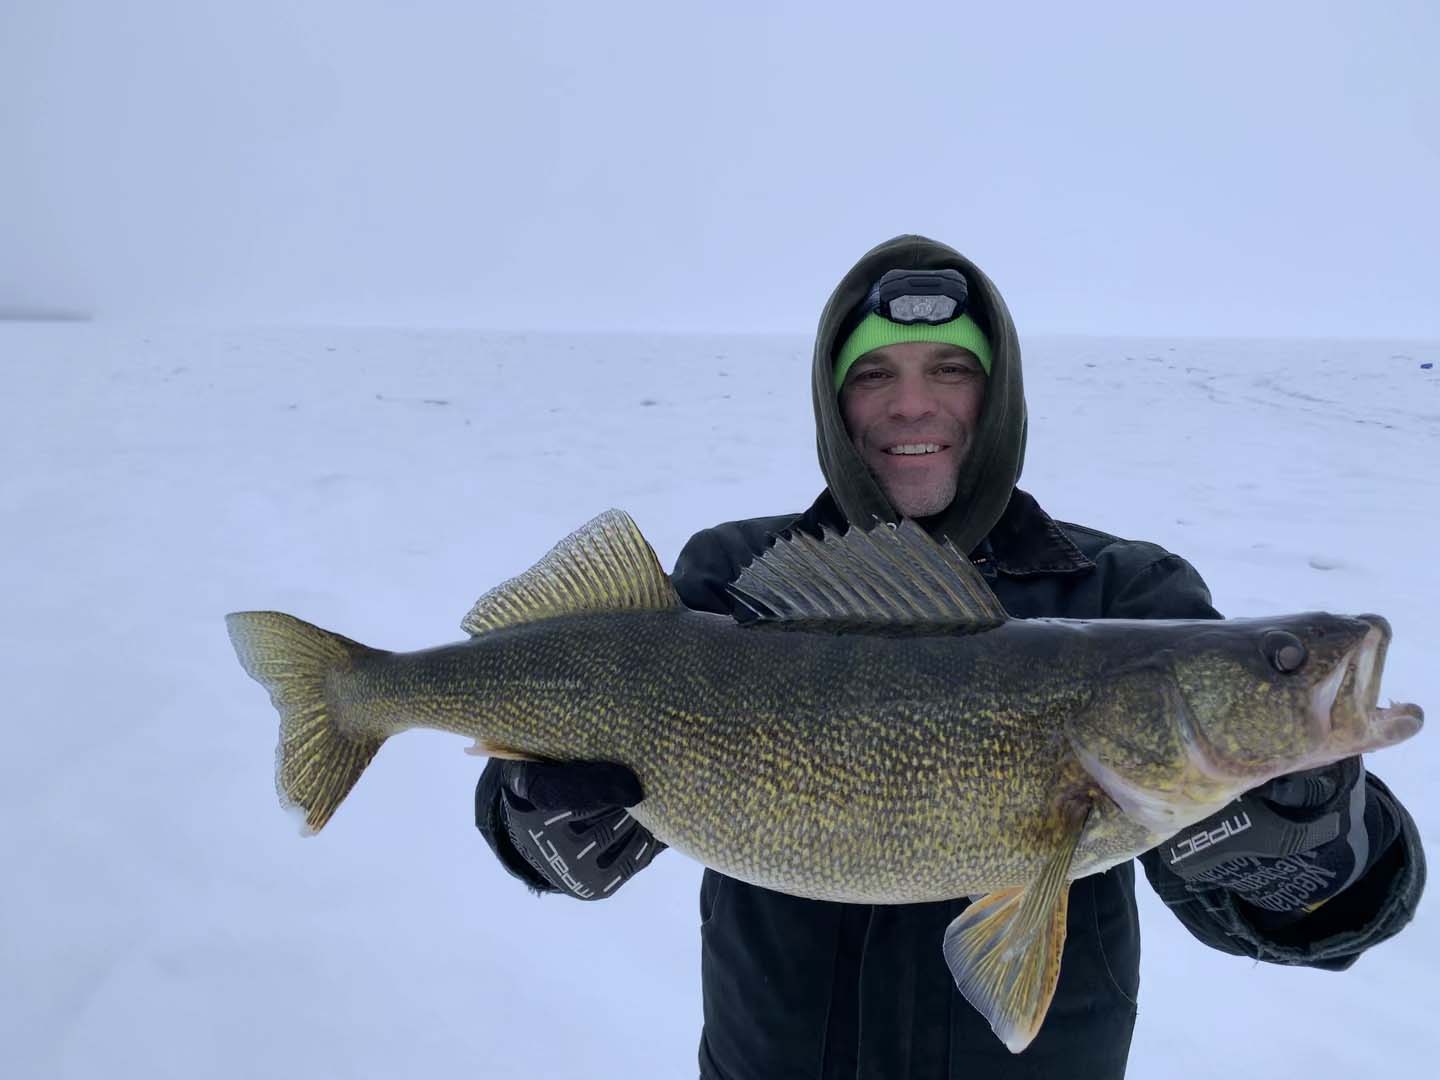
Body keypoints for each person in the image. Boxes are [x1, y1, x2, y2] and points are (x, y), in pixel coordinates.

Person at [476, 235, 1426, 1078]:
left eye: (950, 370)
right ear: (833, 400)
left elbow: (1318, 917)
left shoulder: (1126, 594)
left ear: (998, 391)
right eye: (873, 374)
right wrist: (533, 823)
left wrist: (1309, 841)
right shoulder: (738, 582)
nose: (912, 404)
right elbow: (560, 757)